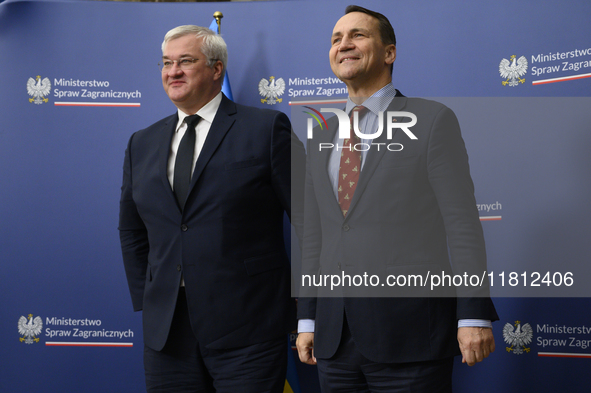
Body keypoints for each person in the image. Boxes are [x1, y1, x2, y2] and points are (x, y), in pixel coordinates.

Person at [296, 5, 498, 392]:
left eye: (357, 35)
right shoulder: (321, 135)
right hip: (334, 341)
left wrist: (473, 313)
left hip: (411, 337)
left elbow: (462, 224)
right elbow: (315, 237)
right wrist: (308, 319)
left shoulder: (432, 120)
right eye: (336, 39)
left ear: (389, 52)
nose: (344, 44)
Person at [119, 25, 304, 393]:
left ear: (217, 68)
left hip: (248, 326)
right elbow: (132, 229)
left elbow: (310, 222)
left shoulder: (265, 129)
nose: (173, 71)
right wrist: (151, 296)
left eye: (186, 61)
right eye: (167, 63)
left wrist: (307, 310)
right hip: (167, 335)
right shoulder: (142, 142)